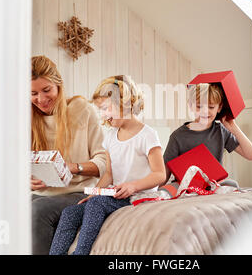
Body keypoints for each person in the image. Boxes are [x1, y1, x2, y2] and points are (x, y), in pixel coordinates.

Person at [49, 75, 166, 255]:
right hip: (115, 195)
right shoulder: (111, 136)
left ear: (124, 103)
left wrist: (132, 186)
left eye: (105, 109)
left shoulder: (147, 135)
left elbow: (159, 174)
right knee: (69, 213)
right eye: (100, 110)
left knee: (97, 205)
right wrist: (94, 193)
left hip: (139, 197)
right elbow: (109, 174)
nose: (103, 115)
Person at [30, 55, 107, 255]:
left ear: (59, 85)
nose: (41, 99)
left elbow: (104, 161)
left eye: (46, 90)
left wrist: (73, 167)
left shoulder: (82, 109)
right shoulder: (25, 118)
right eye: (33, 93)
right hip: (39, 193)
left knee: (37, 211)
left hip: (77, 192)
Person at [163, 83, 252, 184]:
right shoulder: (177, 136)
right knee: (169, 189)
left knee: (232, 184)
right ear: (191, 106)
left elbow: (251, 155)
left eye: (211, 107)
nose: (205, 112)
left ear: (219, 108)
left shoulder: (220, 131)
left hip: (213, 184)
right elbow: (164, 173)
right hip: (185, 186)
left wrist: (233, 127)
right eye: (199, 107)